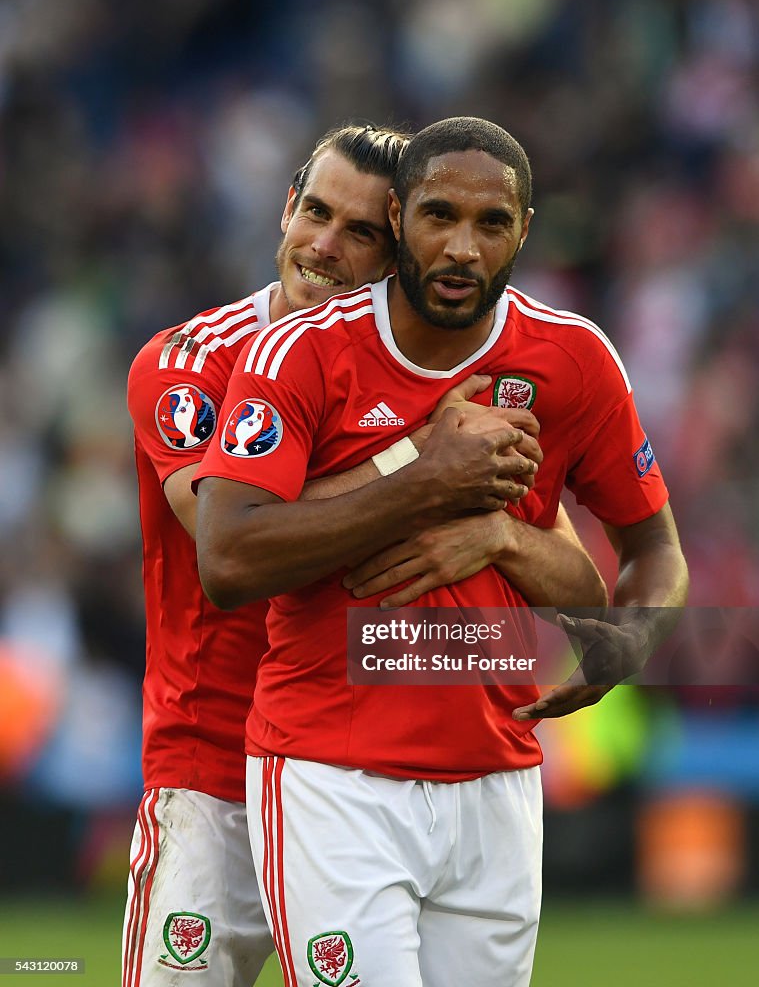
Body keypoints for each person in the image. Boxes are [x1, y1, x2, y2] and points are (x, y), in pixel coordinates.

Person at [194, 117, 689, 987]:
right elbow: (228, 559)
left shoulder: (572, 360)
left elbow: (653, 547)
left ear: (522, 230)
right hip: (331, 772)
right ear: (397, 217)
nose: (462, 248)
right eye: (437, 216)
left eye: (490, 224)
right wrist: (427, 479)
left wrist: (630, 638)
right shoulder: (300, 354)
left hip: (496, 780)